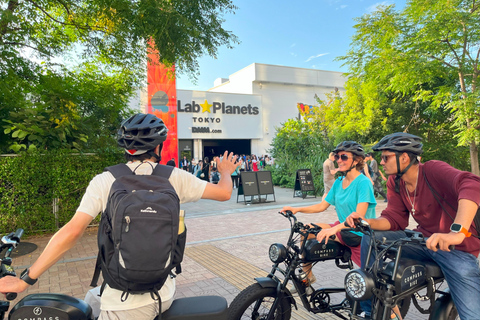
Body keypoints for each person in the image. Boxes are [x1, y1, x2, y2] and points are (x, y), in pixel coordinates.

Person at [0, 113, 241, 320]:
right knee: (91, 300)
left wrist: (26, 280)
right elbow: (224, 193)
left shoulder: (105, 181)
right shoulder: (175, 177)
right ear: (158, 147)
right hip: (162, 289)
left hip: (127, 305)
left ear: (126, 149)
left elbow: (72, 232)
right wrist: (226, 171)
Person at [346, 132, 480, 320]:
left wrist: (456, 232)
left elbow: (472, 184)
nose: (381, 162)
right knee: (371, 237)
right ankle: (371, 312)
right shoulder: (395, 182)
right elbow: (394, 219)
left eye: (386, 157)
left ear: (404, 157)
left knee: (473, 315)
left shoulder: (432, 170)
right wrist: (366, 222)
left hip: (457, 250)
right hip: (423, 242)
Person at [282, 141, 376, 287]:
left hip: (360, 236)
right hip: (341, 230)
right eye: (337, 157)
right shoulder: (339, 182)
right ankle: (307, 277)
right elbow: (322, 205)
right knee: (306, 230)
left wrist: (334, 229)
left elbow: (358, 217)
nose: (339, 160)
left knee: (372, 281)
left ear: (357, 160)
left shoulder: (363, 182)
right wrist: (296, 209)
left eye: (344, 157)